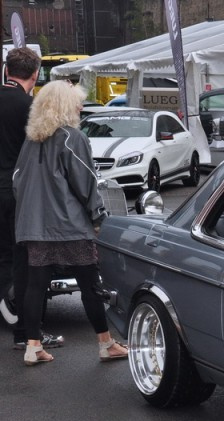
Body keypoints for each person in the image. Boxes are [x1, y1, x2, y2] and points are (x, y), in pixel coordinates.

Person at [13, 81, 128, 366]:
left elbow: (17, 181)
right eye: (76, 101)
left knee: (35, 285)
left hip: (34, 226)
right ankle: (106, 343)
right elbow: (86, 182)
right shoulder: (72, 137)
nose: (80, 106)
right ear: (65, 106)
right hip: (70, 226)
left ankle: (33, 346)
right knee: (90, 283)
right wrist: (98, 216)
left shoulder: (31, 140)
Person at [0, 47, 63, 352]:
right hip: (18, 193)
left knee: (4, 259)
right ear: (36, 75)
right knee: (25, 263)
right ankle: (26, 332)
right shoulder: (31, 107)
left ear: (6, 69)